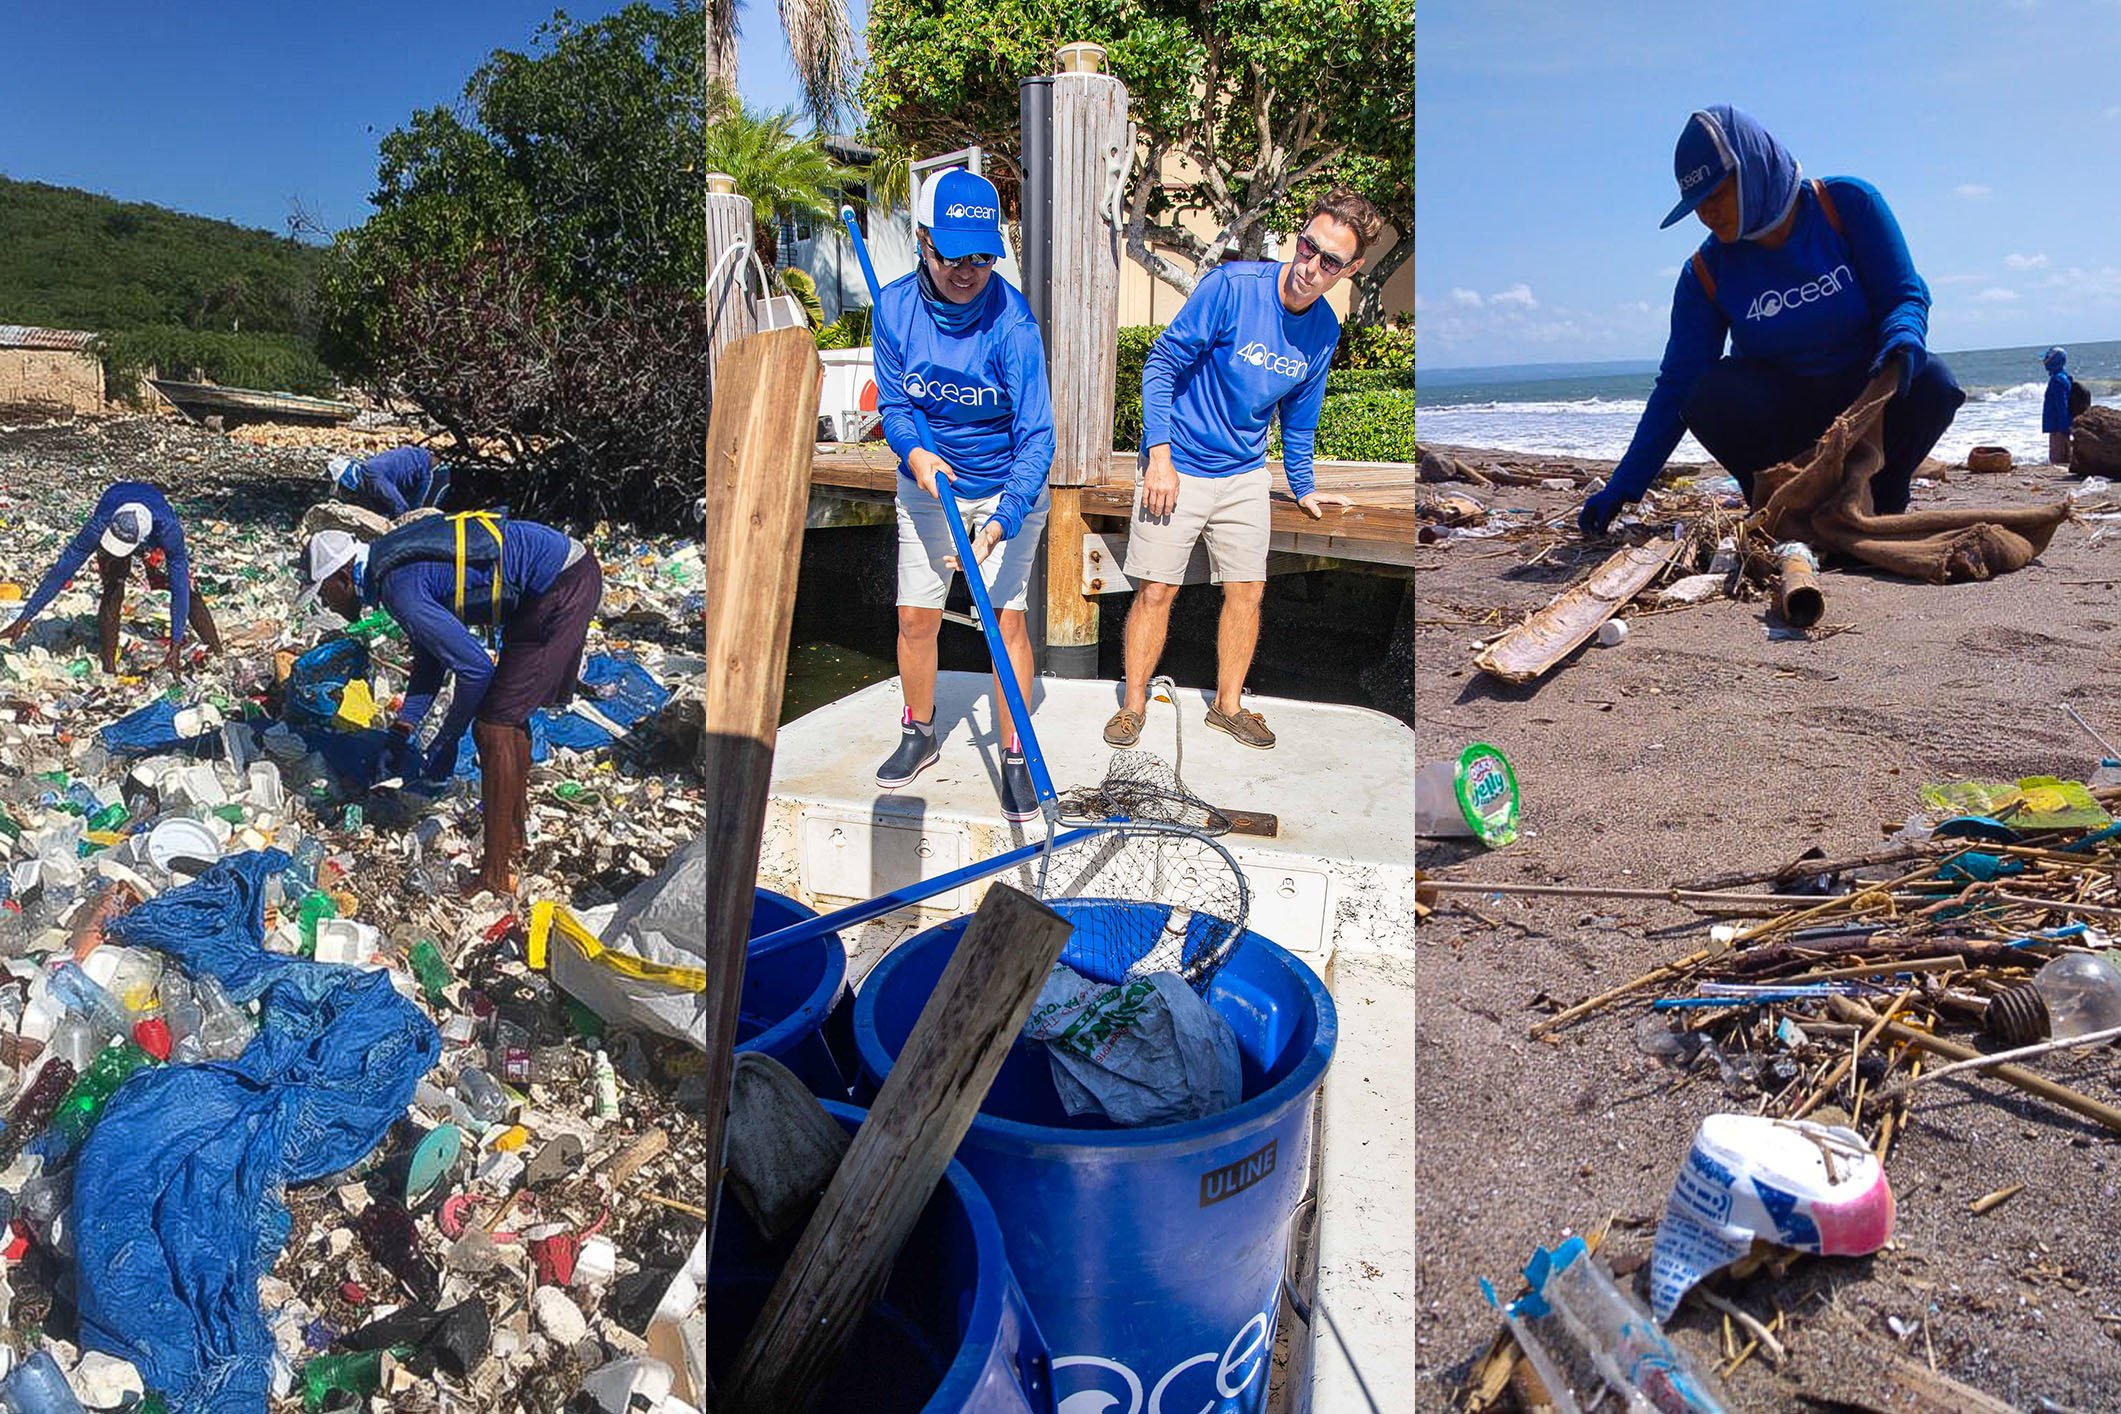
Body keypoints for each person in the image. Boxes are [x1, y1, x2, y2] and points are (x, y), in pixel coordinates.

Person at [1580, 106, 1965, 536]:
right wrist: (1625, 484)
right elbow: (1677, 385)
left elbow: (1904, 295)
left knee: (1934, 382)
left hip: (1865, 400)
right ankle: (1775, 501)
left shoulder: (1846, 205)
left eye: (1715, 195)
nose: (1706, 214)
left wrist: (1901, 340)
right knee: (1707, 391)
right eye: (1696, 205)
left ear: (1753, 172)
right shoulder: (1706, 273)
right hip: (1788, 418)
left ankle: (1884, 494)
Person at [1105, 187, 1377, 753]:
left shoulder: (1324, 330)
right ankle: (1133, 706)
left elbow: (1299, 417)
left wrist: (1302, 486)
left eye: (1329, 261)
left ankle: (1227, 708)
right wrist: (1158, 457)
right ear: (1299, 236)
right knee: (1157, 589)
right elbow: (1160, 366)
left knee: (1248, 590)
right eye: (1308, 247)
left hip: (1245, 472)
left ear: (1349, 270)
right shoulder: (1231, 288)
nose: (1310, 266)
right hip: (1176, 460)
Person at [870, 167, 1056, 822]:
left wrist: (1002, 520)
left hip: (1008, 490)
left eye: (981, 256)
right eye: (953, 254)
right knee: (916, 616)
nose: (968, 270)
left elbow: (1039, 437)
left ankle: (1014, 752)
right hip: (929, 484)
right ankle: (918, 733)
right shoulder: (892, 309)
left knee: (1005, 623)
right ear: (923, 242)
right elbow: (894, 406)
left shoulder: (1013, 326)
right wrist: (915, 454)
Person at [299, 513, 602, 896]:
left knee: (493, 727)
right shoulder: (388, 567)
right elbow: (432, 656)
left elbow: (475, 669)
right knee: (509, 717)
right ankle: (513, 837)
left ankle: (494, 875)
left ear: (343, 578)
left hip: (560, 586)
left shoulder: (396, 586)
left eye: (324, 593)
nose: (326, 603)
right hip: (557, 580)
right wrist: (402, 729)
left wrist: (447, 739)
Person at [0, 482, 221, 675]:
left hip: (152, 537)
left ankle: (216, 651)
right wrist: (26, 616)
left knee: (189, 592)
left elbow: (180, 585)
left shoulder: (168, 531)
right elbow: (64, 568)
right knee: (113, 588)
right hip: (115, 522)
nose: (119, 553)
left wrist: (175, 643)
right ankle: (108, 668)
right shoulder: (101, 524)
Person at [329, 446, 452, 520]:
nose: (348, 494)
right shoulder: (367, 473)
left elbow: (400, 507)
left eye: (344, 489)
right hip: (421, 474)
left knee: (417, 519)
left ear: (348, 480)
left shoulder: (373, 478)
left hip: (432, 472)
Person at [2043, 346, 2075, 466]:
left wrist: (2064, 428)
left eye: (2048, 357)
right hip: (2061, 425)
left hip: (2058, 427)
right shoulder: (2063, 376)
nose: (2045, 361)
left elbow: (2062, 405)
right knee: (2065, 459)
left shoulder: (2057, 380)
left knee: (2058, 461)